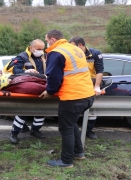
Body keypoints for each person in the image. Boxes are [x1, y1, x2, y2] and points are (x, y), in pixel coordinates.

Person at [40, 29, 95, 168]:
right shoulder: (74, 49)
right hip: (87, 94)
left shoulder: (57, 52)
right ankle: (79, 153)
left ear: (53, 39)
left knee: (65, 128)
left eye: (47, 41)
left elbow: (54, 77)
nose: (47, 44)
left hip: (73, 97)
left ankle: (66, 161)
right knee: (71, 124)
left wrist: (50, 92)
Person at [5, 39, 47, 144]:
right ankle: (14, 133)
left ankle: (35, 130)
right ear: (31, 48)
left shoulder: (43, 57)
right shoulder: (22, 57)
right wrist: (26, 71)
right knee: (23, 111)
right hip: (27, 87)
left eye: (42, 49)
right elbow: (15, 71)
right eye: (38, 49)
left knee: (42, 111)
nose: (41, 51)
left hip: (41, 85)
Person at [69, 36, 104, 139]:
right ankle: (75, 131)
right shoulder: (72, 55)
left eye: (73, 46)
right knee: (74, 109)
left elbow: (99, 71)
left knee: (92, 110)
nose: (71, 49)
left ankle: (89, 130)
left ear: (80, 45)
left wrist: (97, 87)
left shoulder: (95, 54)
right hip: (76, 84)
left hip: (90, 84)